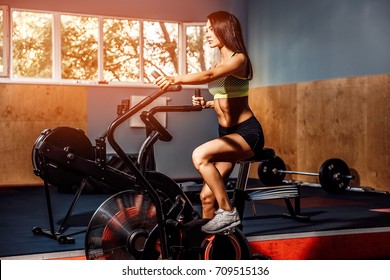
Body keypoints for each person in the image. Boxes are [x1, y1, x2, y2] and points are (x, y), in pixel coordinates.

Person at [154, 11, 265, 234]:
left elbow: (208, 76)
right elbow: (226, 99)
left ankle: (228, 211)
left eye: (210, 28)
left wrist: (175, 78)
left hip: (247, 134)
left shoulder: (239, 59)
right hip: (226, 134)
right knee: (206, 197)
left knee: (199, 155)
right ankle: (213, 249)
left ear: (224, 28)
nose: (207, 34)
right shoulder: (221, 61)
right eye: (205, 29)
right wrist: (207, 103)